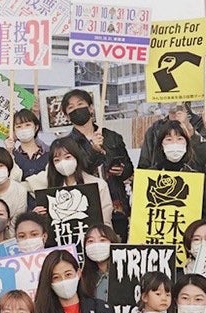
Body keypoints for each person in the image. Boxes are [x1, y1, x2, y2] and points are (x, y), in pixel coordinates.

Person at [60, 88, 135, 228]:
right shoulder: (65, 145)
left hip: (116, 203)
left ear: (91, 108)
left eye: (80, 104)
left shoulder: (112, 137)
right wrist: (93, 150)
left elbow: (129, 168)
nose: (77, 109)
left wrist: (121, 171)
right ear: (67, 116)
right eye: (71, 107)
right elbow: (78, 171)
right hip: (84, 205)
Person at [27, 139, 114, 227]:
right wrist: (37, 218)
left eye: (67, 157)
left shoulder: (99, 185)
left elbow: (105, 221)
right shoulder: (47, 187)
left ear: (77, 157)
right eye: (57, 160)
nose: (63, 163)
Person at [33, 250, 108, 313]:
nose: (63, 281)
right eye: (56, 277)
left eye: (68, 274)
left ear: (78, 273)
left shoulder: (100, 308)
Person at [11, 108, 50, 181]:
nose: (23, 129)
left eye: (27, 125)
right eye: (18, 126)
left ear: (36, 127)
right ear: (14, 131)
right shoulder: (11, 156)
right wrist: (9, 151)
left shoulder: (49, 153)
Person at [79, 226, 115, 299]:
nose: (96, 244)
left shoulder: (127, 273)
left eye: (102, 240)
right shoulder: (83, 280)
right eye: (90, 241)